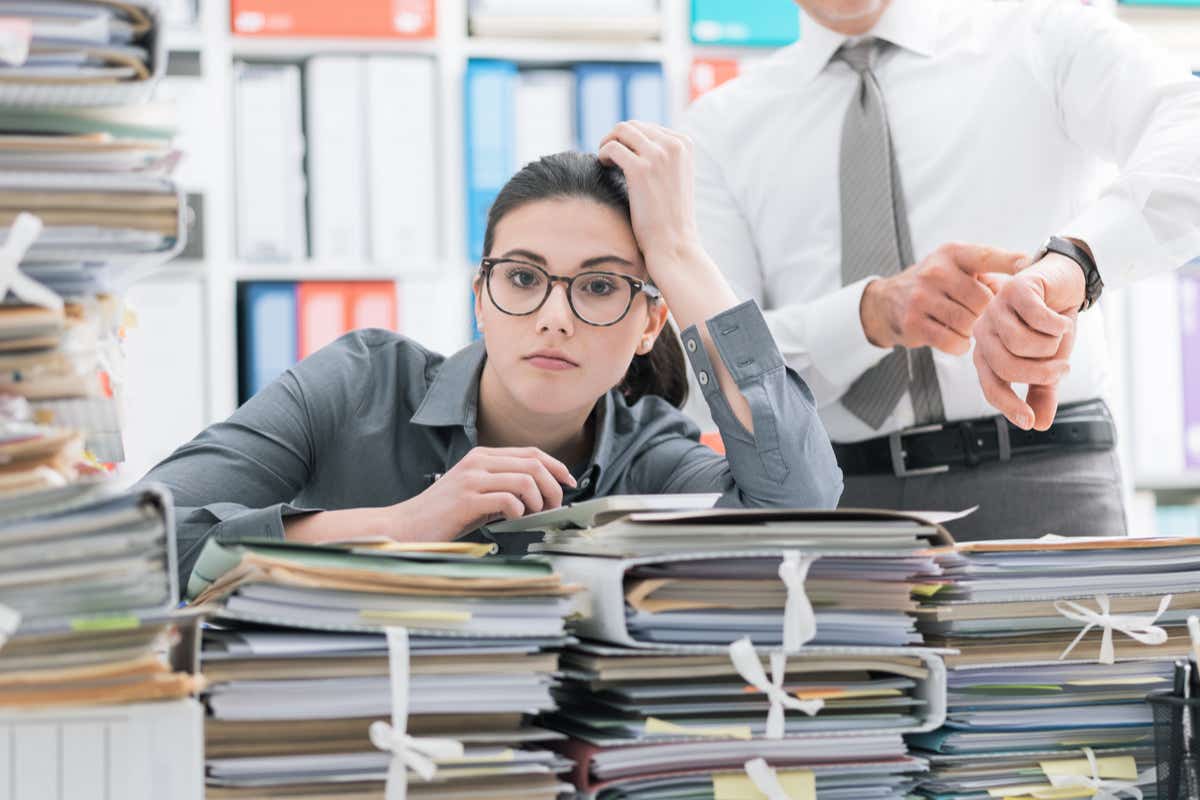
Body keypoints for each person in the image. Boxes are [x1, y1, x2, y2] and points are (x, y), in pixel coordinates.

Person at [139, 123, 843, 586]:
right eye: (523, 278)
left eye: (599, 286)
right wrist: (402, 524)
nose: (554, 318)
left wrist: (682, 253)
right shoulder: (358, 385)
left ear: (650, 323)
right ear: (481, 297)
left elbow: (803, 511)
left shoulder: (653, 458)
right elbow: (140, 542)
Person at [682, 0, 1200, 539]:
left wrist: (1079, 262)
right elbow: (699, 379)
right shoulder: (719, 129)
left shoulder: (1043, 32)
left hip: (1044, 478)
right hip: (836, 506)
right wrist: (865, 317)